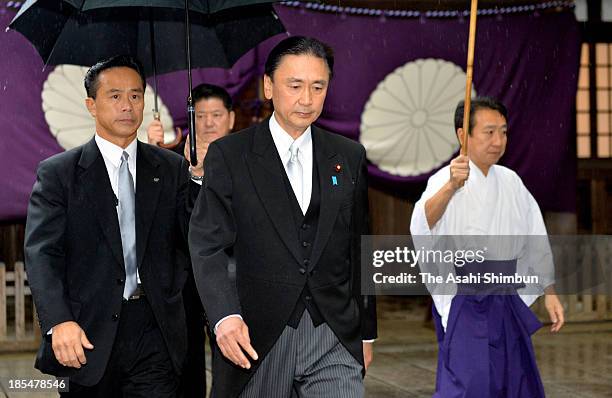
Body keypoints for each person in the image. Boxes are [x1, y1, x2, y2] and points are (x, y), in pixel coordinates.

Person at [189, 36, 378, 398]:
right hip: (257, 336)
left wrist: (366, 333)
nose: (306, 99)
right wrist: (225, 317)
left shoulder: (348, 155)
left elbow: (360, 248)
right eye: (295, 85)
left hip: (332, 333)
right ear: (268, 86)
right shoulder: (231, 155)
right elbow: (207, 245)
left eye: (318, 86)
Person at [24, 55, 194, 397]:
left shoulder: (171, 167)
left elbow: (194, 237)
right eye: (114, 96)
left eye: (135, 95)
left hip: (155, 328)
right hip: (87, 332)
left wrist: (199, 177)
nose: (127, 105)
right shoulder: (59, 173)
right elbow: (42, 253)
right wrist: (59, 321)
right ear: (91, 104)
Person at [410, 97, 565, 397]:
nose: (498, 141)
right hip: (465, 298)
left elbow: (535, 236)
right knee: (470, 382)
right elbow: (423, 224)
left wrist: (550, 292)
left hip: (507, 296)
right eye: (489, 132)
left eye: (504, 132)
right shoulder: (444, 179)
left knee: (515, 380)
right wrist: (451, 187)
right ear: (462, 136)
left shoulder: (511, 181)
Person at [147, 83, 235, 398]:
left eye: (216, 115)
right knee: (187, 369)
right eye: (200, 116)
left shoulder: (250, 161)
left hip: (234, 279)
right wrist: (154, 153)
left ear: (232, 119)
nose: (209, 123)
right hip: (186, 281)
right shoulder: (170, 162)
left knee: (233, 371)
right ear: (188, 120)